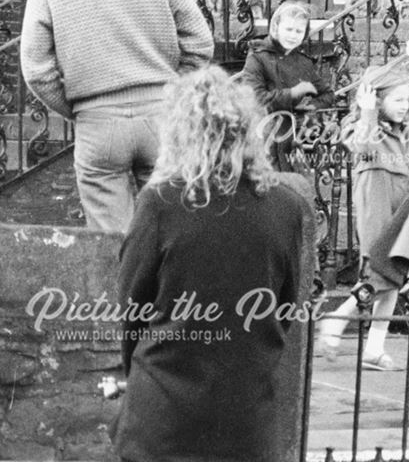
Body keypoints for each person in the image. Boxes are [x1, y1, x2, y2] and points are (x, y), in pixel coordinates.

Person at [111, 66, 309, 462]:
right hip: (246, 421)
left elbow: (132, 310)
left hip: (163, 417)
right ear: (247, 131)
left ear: (179, 132)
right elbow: (285, 309)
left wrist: (135, 375)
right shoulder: (287, 207)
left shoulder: (160, 203)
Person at [20, 0, 213, 233]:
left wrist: (80, 107)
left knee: (114, 246)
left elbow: (36, 69)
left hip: (97, 123)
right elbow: (200, 41)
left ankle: (124, 289)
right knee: (175, 234)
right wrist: (173, 91)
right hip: (163, 117)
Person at [318, 62, 409, 369]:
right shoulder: (361, 126)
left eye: (406, 100)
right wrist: (369, 111)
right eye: (397, 100)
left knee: (395, 273)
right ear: (376, 98)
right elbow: (362, 145)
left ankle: (374, 347)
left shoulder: (408, 128)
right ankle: (338, 319)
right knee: (380, 271)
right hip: (377, 202)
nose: (404, 106)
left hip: (405, 207)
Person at [241, 0, 336, 170]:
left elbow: (327, 94)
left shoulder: (303, 62)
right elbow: (255, 98)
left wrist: (307, 107)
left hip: (292, 140)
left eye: (299, 31)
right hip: (262, 136)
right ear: (276, 27)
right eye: (289, 29)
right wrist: (292, 94)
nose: (293, 36)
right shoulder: (257, 57)